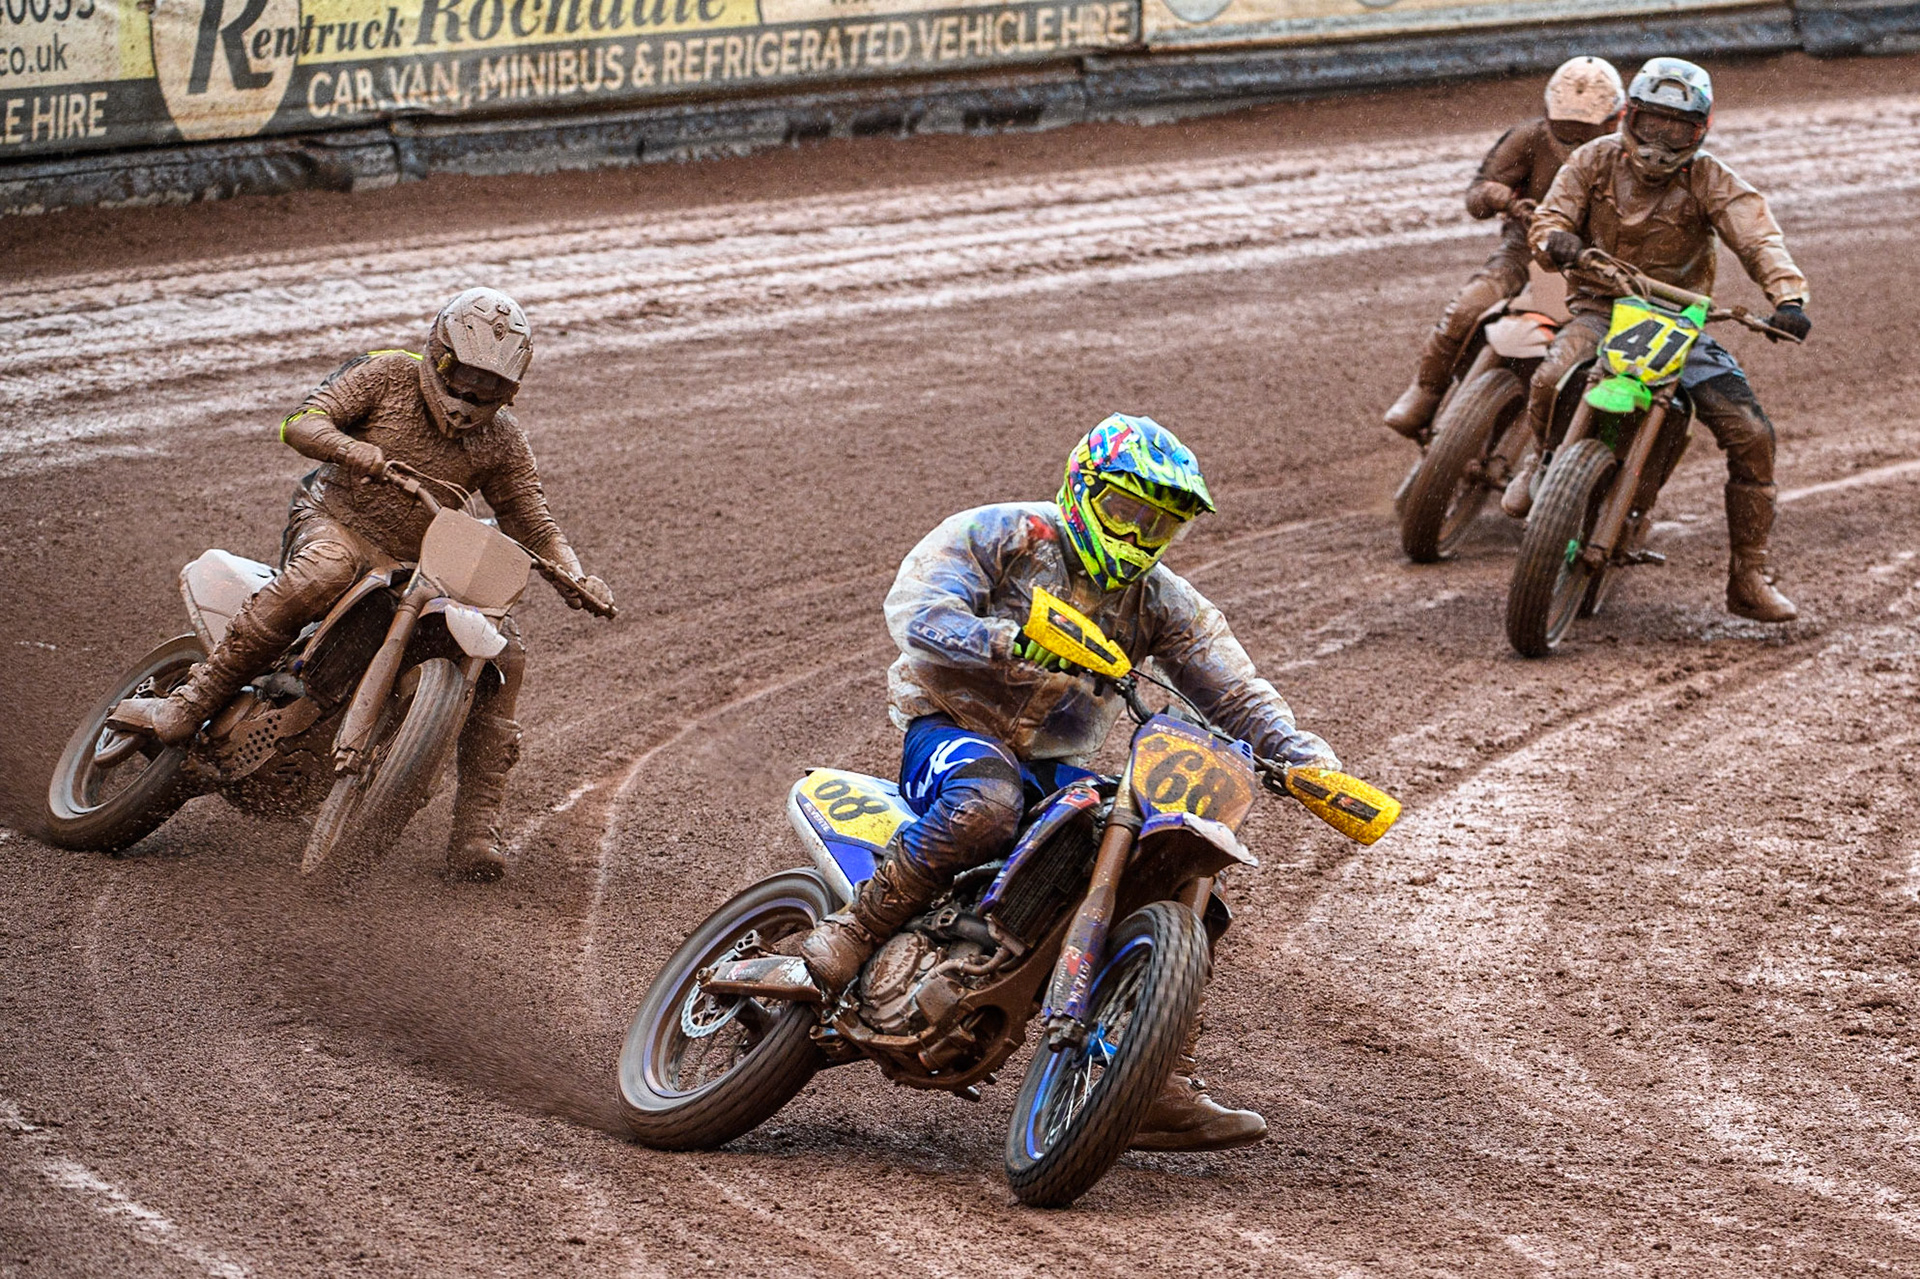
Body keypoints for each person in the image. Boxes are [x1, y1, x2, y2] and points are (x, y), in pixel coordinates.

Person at [795, 413, 1344, 1151]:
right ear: (1084, 487)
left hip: (1054, 758)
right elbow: (918, 612)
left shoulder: (1162, 600)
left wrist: (1306, 762)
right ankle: (856, 926)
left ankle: (1154, 1072)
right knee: (986, 805)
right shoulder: (1003, 533)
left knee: (1170, 860)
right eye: (1127, 511)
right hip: (951, 723)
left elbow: (1237, 693)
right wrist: (1006, 638)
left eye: (1161, 526)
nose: (1139, 537)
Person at [110, 288, 612, 880]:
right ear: (437, 354)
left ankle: (476, 824)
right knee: (326, 570)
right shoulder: (386, 374)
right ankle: (188, 703)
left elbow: (534, 520)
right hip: (336, 519)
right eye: (463, 377)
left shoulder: (502, 439)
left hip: (421, 561)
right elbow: (301, 423)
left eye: (492, 388)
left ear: (511, 390)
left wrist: (575, 574)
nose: (472, 397)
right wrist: (359, 454)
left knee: (509, 653)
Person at [1504, 58, 1809, 623]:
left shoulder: (1710, 178)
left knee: (1751, 435)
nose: (1662, 141)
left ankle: (1749, 574)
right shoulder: (1593, 159)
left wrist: (1788, 298)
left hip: (1682, 325)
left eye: (1679, 129)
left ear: (1700, 132)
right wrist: (1560, 244)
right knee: (1550, 375)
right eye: (1653, 124)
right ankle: (1543, 462)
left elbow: (1757, 234)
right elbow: (1550, 217)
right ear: (1631, 118)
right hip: (1601, 308)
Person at [1383, 56, 1626, 438]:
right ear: (1548, 113)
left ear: (1615, 119)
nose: (1576, 140)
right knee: (1468, 306)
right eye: (1566, 129)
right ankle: (1426, 392)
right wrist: (1496, 195)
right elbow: (1476, 199)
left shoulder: (1631, 159)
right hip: (1525, 249)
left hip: (1599, 263)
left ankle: (1582, 445)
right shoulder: (1529, 138)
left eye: (1585, 131)